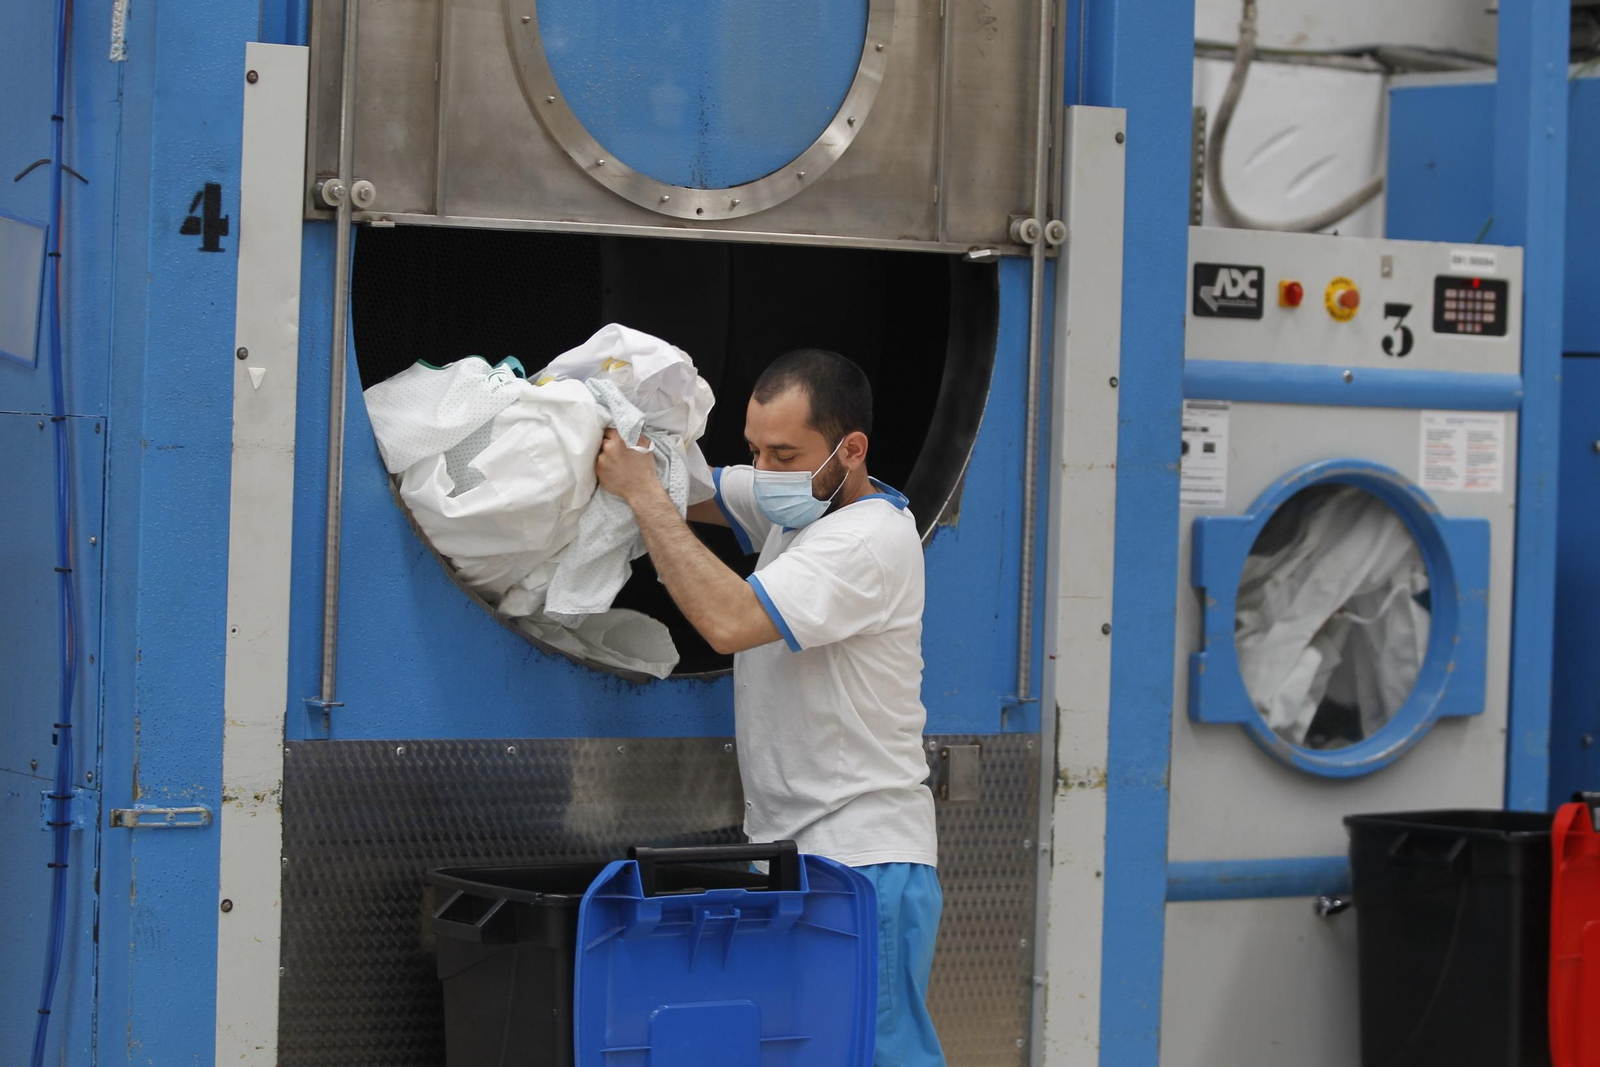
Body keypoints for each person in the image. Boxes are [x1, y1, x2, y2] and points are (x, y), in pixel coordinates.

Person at [595, 347, 945, 1066]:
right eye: (755, 450)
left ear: (852, 450)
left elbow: (728, 620)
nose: (766, 470)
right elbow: (699, 490)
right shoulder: (802, 502)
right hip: (800, 857)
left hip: (863, 861)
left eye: (784, 453)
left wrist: (646, 499)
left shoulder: (869, 539)